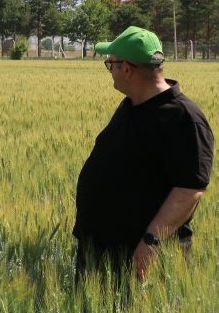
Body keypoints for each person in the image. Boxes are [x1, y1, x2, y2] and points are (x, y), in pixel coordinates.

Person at [74, 26, 213, 284]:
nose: (110, 71)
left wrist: (151, 242)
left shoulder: (184, 118)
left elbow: (189, 188)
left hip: (140, 256)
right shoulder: (132, 105)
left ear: (126, 69)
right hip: (99, 252)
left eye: (110, 64)